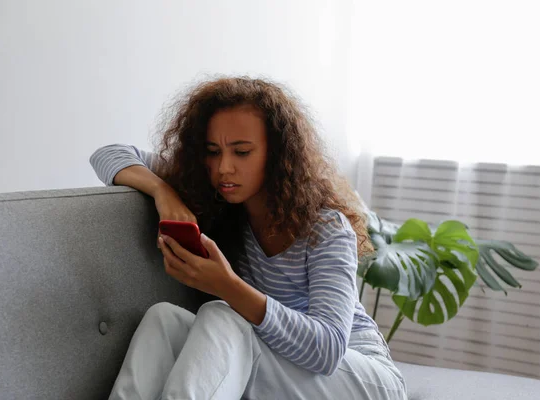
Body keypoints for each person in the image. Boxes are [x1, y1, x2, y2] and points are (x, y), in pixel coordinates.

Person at [89, 77, 407, 400]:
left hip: (364, 377)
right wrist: (163, 191)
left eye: (241, 152)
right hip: (273, 360)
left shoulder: (326, 229)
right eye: (213, 152)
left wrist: (227, 285)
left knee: (223, 314)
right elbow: (108, 155)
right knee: (164, 320)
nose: (224, 167)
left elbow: (326, 350)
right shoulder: (223, 206)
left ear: (277, 154)